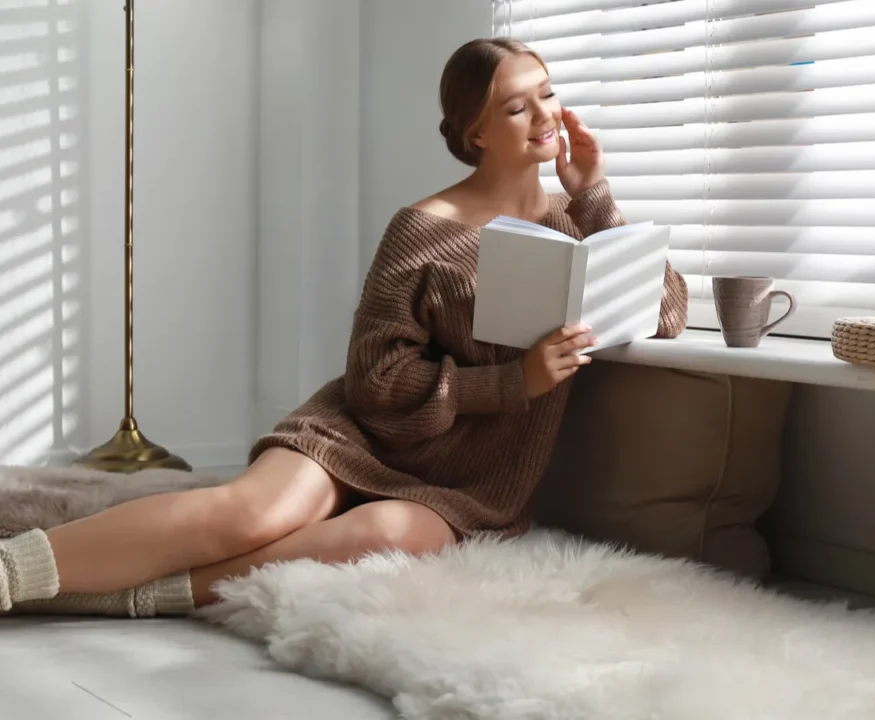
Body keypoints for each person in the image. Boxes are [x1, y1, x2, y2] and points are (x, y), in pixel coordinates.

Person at [0, 38, 689, 617]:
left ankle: (144, 596)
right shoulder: (423, 229)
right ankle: (10, 575)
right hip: (358, 431)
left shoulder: (575, 225)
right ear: (475, 131)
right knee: (249, 514)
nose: (545, 115)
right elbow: (375, 381)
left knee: (383, 534)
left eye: (547, 92)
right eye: (517, 105)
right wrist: (513, 382)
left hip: (472, 479)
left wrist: (594, 191)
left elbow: (666, 312)